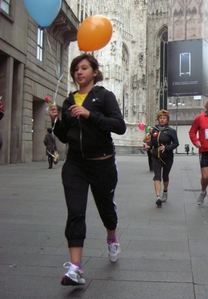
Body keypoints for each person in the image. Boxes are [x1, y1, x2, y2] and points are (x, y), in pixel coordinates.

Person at [47, 54, 126, 286]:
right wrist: (55, 122)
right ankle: (76, 268)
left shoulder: (104, 96)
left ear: (94, 72)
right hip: (75, 164)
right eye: (75, 69)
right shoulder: (69, 100)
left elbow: (119, 126)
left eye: (84, 68)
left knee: (106, 210)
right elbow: (64, 135)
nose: (78, 72)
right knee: (75, 212)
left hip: (102, 163)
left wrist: (90, 114)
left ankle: (112, 237)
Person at [144, 109, 179, 207]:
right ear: (158, 119)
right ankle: (158, 197)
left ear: (167, 120)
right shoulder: (154, 130)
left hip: (167, 156)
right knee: (157, 175)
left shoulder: (171, 131)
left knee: (165, 176)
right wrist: (148, 146)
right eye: (160, 118)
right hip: (155, 156)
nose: (162, 120)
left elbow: (176, 143)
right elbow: (152, 142)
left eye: (164, 118)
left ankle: (165, 191)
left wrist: (166, 147)